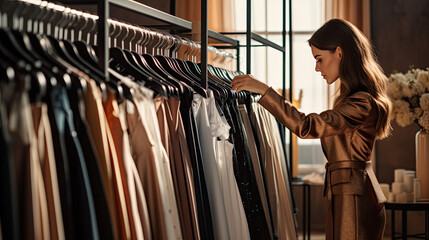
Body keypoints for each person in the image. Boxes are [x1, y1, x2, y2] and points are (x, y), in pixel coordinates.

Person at [231, 18, 391, 240]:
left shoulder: (361, 103)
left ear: (339, 53)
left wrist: (265, 90)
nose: (317, 68)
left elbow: (307, 127)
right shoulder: (354, 99)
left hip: (353, 197)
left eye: (319, 59)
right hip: (348, 194)